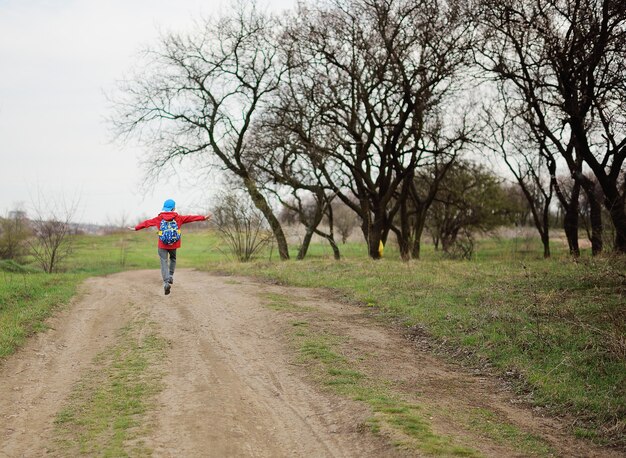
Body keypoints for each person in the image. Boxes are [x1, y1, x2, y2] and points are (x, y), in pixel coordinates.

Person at [129, 199, 211, 295]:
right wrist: (203, 218)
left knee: (163, 261)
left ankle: (166, 282)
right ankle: (171, 275)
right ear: (173, 208)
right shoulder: (178, 218)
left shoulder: (159, 218)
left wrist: (135, 228)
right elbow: (190, 218)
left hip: (162, 244)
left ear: (164, 208)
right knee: (173, 258)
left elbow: (147, 223)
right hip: (174, 244)